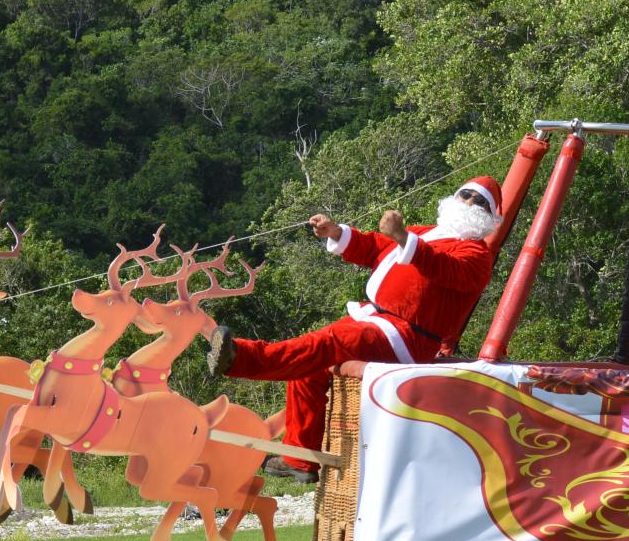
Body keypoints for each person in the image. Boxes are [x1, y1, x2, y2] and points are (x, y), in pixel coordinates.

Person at [205, 176, 503, 476]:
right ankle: (299, 458)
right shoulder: (423, 233)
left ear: (488, 216)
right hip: (377, 320)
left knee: (327, 341)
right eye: (466, 194)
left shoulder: (476, 255)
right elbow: (374, 247)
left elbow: (445, 269)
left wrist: (402, 238)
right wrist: (335, 232)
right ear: (454, 197)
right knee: (309, 365)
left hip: (405, 337)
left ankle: (241, 357)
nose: (469, 203)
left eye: (480, 202)